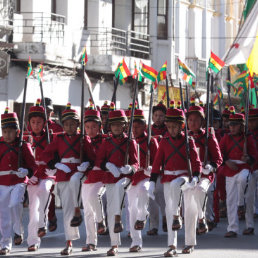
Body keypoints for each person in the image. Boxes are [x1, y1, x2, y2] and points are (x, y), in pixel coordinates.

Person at [40, 103, 94, 255]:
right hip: (63, 173)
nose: (70, 127)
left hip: (79, 172)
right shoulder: (58, 139)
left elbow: (93, 157)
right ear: (62, 125)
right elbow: (46, 154)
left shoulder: (83, 139)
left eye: (73, 124)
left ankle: (92, 239)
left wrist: (86, 163)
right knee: (67, 211)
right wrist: (56, 164)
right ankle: (69, 242)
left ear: (78, 125)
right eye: (67, 124)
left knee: (90, 208)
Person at [149, 100, 202, 257]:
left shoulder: (189, 141)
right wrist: (152, 181)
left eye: (175, 127)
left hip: (185, 179)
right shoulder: (164, 142)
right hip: (168, 180)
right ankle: (172, 245)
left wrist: (196, 178)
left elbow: (196, 162)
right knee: (170, 208)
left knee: (190, 210)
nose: (172, 130)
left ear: (182, 126)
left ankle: (189, 242)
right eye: (169, 127)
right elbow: (157, 163)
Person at [95, 104, 138, 256]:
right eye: (114, 125)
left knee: (120, 188)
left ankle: (119, 218)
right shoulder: (106, 142)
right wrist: (107, 165)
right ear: (110, 127)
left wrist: (130, 168)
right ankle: (114, 245)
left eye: (120, 124)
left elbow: (136, 162)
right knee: (111, 209)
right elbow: (99, 160)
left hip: (125, 178)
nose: (117, 127)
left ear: (125, 126)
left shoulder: (130, 142)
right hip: (110, 177)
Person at [0, 108, 37, 255]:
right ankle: (5, 244)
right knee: (3, 214)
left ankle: (18, 230)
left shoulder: (23, 145)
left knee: (15, 203)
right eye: (5, 131)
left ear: (17, 132)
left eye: (11, 131)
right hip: (2, 182)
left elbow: (33, 166)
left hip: (18, 181)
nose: (7, 135)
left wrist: (27, 171)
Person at [219, 106, 258, 238]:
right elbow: (220, 153)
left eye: (235, 125)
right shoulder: (226, 138)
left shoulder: (248, 137)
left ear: (242, 126)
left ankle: (249, 225)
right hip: (230, 169)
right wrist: (226, 161)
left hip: (245, 168)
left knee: (248, 196)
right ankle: (233, 228)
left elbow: (254, 155)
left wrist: (249, 158)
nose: (232, 128)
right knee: (230, 200)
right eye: (231, 125)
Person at [26, 99, 56, 251]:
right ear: (29, 123)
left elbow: (59, 154)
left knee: (44, 190)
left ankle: (43, 222)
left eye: (39, 122)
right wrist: (27, 174)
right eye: (33, 122)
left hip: (47, 174)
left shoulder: (52, 137)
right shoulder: (26, 139)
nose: (36, 125)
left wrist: (54, 164)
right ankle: (33, 241)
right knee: (33, 208)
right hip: (32, 175)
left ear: (44, 123)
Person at [127, 108, 158, 252]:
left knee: (144, 189)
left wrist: (152, 167)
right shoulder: (127, 141)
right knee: (132, 208)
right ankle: (136, 241)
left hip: (146, 175)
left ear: (144, 126)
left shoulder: (151, 141)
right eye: (132, 126)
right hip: (132, 176)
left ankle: (144, 213)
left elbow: (159, 161)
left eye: (138, 126)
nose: (135, 129)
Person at [81, 104, 107, 252]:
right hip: (87, 177)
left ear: (99, 126)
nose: (91, 130)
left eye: (94, 127)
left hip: (102, 176)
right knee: (88, 211)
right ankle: (91, 242)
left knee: (93, 196)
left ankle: (101, 221)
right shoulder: (82, 141)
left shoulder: (106, 140)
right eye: (88, 127)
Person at [148, 100, 167, 236]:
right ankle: (153, 225)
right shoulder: (147, 130)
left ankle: (166, 217)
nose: (158, 118)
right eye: (156, 115)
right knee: (151, 197)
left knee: (162, 194)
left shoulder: (169, 129)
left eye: (161, 115)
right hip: (151, 166)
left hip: (165, 167)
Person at [244, 107, 258, 235]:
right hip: (253, 168)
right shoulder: (246, 135)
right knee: (249, 197)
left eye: (254, 121)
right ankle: (249, 225)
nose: (251, 124)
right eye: (249, 121)